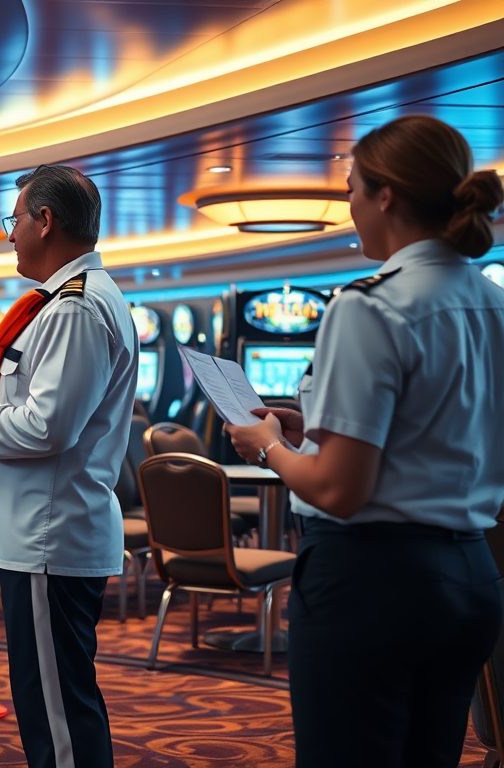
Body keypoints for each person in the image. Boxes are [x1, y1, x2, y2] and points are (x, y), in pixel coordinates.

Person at [227, 115, 504, 768]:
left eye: (351, 189)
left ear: (386, 197)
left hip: (373, 583)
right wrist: (308, 429)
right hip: (472, 574)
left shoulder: (369, 306)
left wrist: (269, 444)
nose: (347, 206)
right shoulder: (492, 305)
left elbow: (339, 490)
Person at [0, 164, 134, 768]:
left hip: (48, 535)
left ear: (45, 221)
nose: (9, 234)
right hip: (40, 533)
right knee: (53, 702)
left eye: (14, 221)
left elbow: (48, 427)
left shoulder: (74, 310)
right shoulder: (71, 304)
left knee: (57, 714)